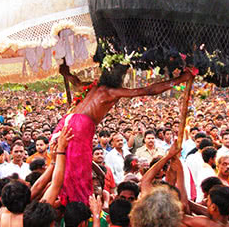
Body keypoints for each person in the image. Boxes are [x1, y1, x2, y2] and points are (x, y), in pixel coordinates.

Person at [57, 63, 194, 204]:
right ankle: (77, 204)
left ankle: (67, 199)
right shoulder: (111, 91)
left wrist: (66, 73)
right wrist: (180, 79)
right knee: (78, 172)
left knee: (64, 164)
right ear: (118, 78)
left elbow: (76, 82)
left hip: (66, 121)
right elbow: (148, 90)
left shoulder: (92, 86)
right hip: (81, 126)